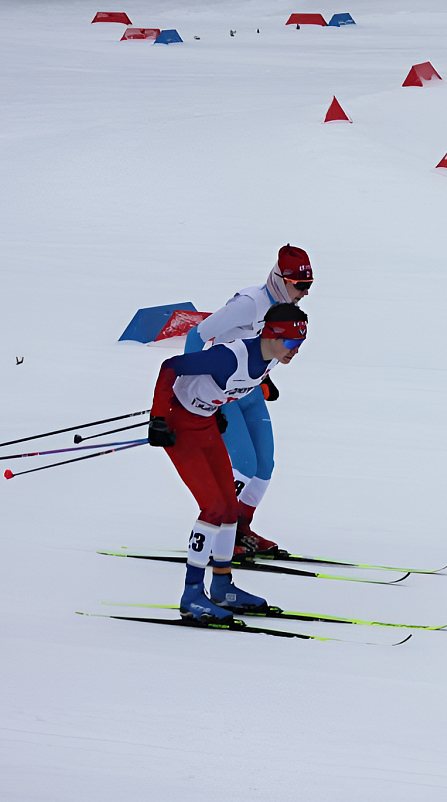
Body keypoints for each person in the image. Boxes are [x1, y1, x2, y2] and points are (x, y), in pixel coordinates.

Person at [149, 303, 308, 623]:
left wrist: (219, 409)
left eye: (300, 345)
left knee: (229, 509)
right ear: (273, 335)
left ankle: (222, 586)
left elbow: (227, 389)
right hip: (181, 428)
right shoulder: (230, 356)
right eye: (291, 343)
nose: (294, 351)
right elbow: (171, 367)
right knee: (213, 509)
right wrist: (158, 418)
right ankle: (192, 595)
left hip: (206, 424)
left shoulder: (267, 360)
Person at [185, 244, 313, 558]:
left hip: (249, 391)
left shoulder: (287, 311)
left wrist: (265, 378)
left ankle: (241, 529)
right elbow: (197, 336)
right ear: (281, 279)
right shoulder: (250, 303)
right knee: (243, 465)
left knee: (264, 467)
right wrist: (189, 392)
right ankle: (217, 535)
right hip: (220, 390)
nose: (306, 292)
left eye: (310, 286)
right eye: (301, 286)